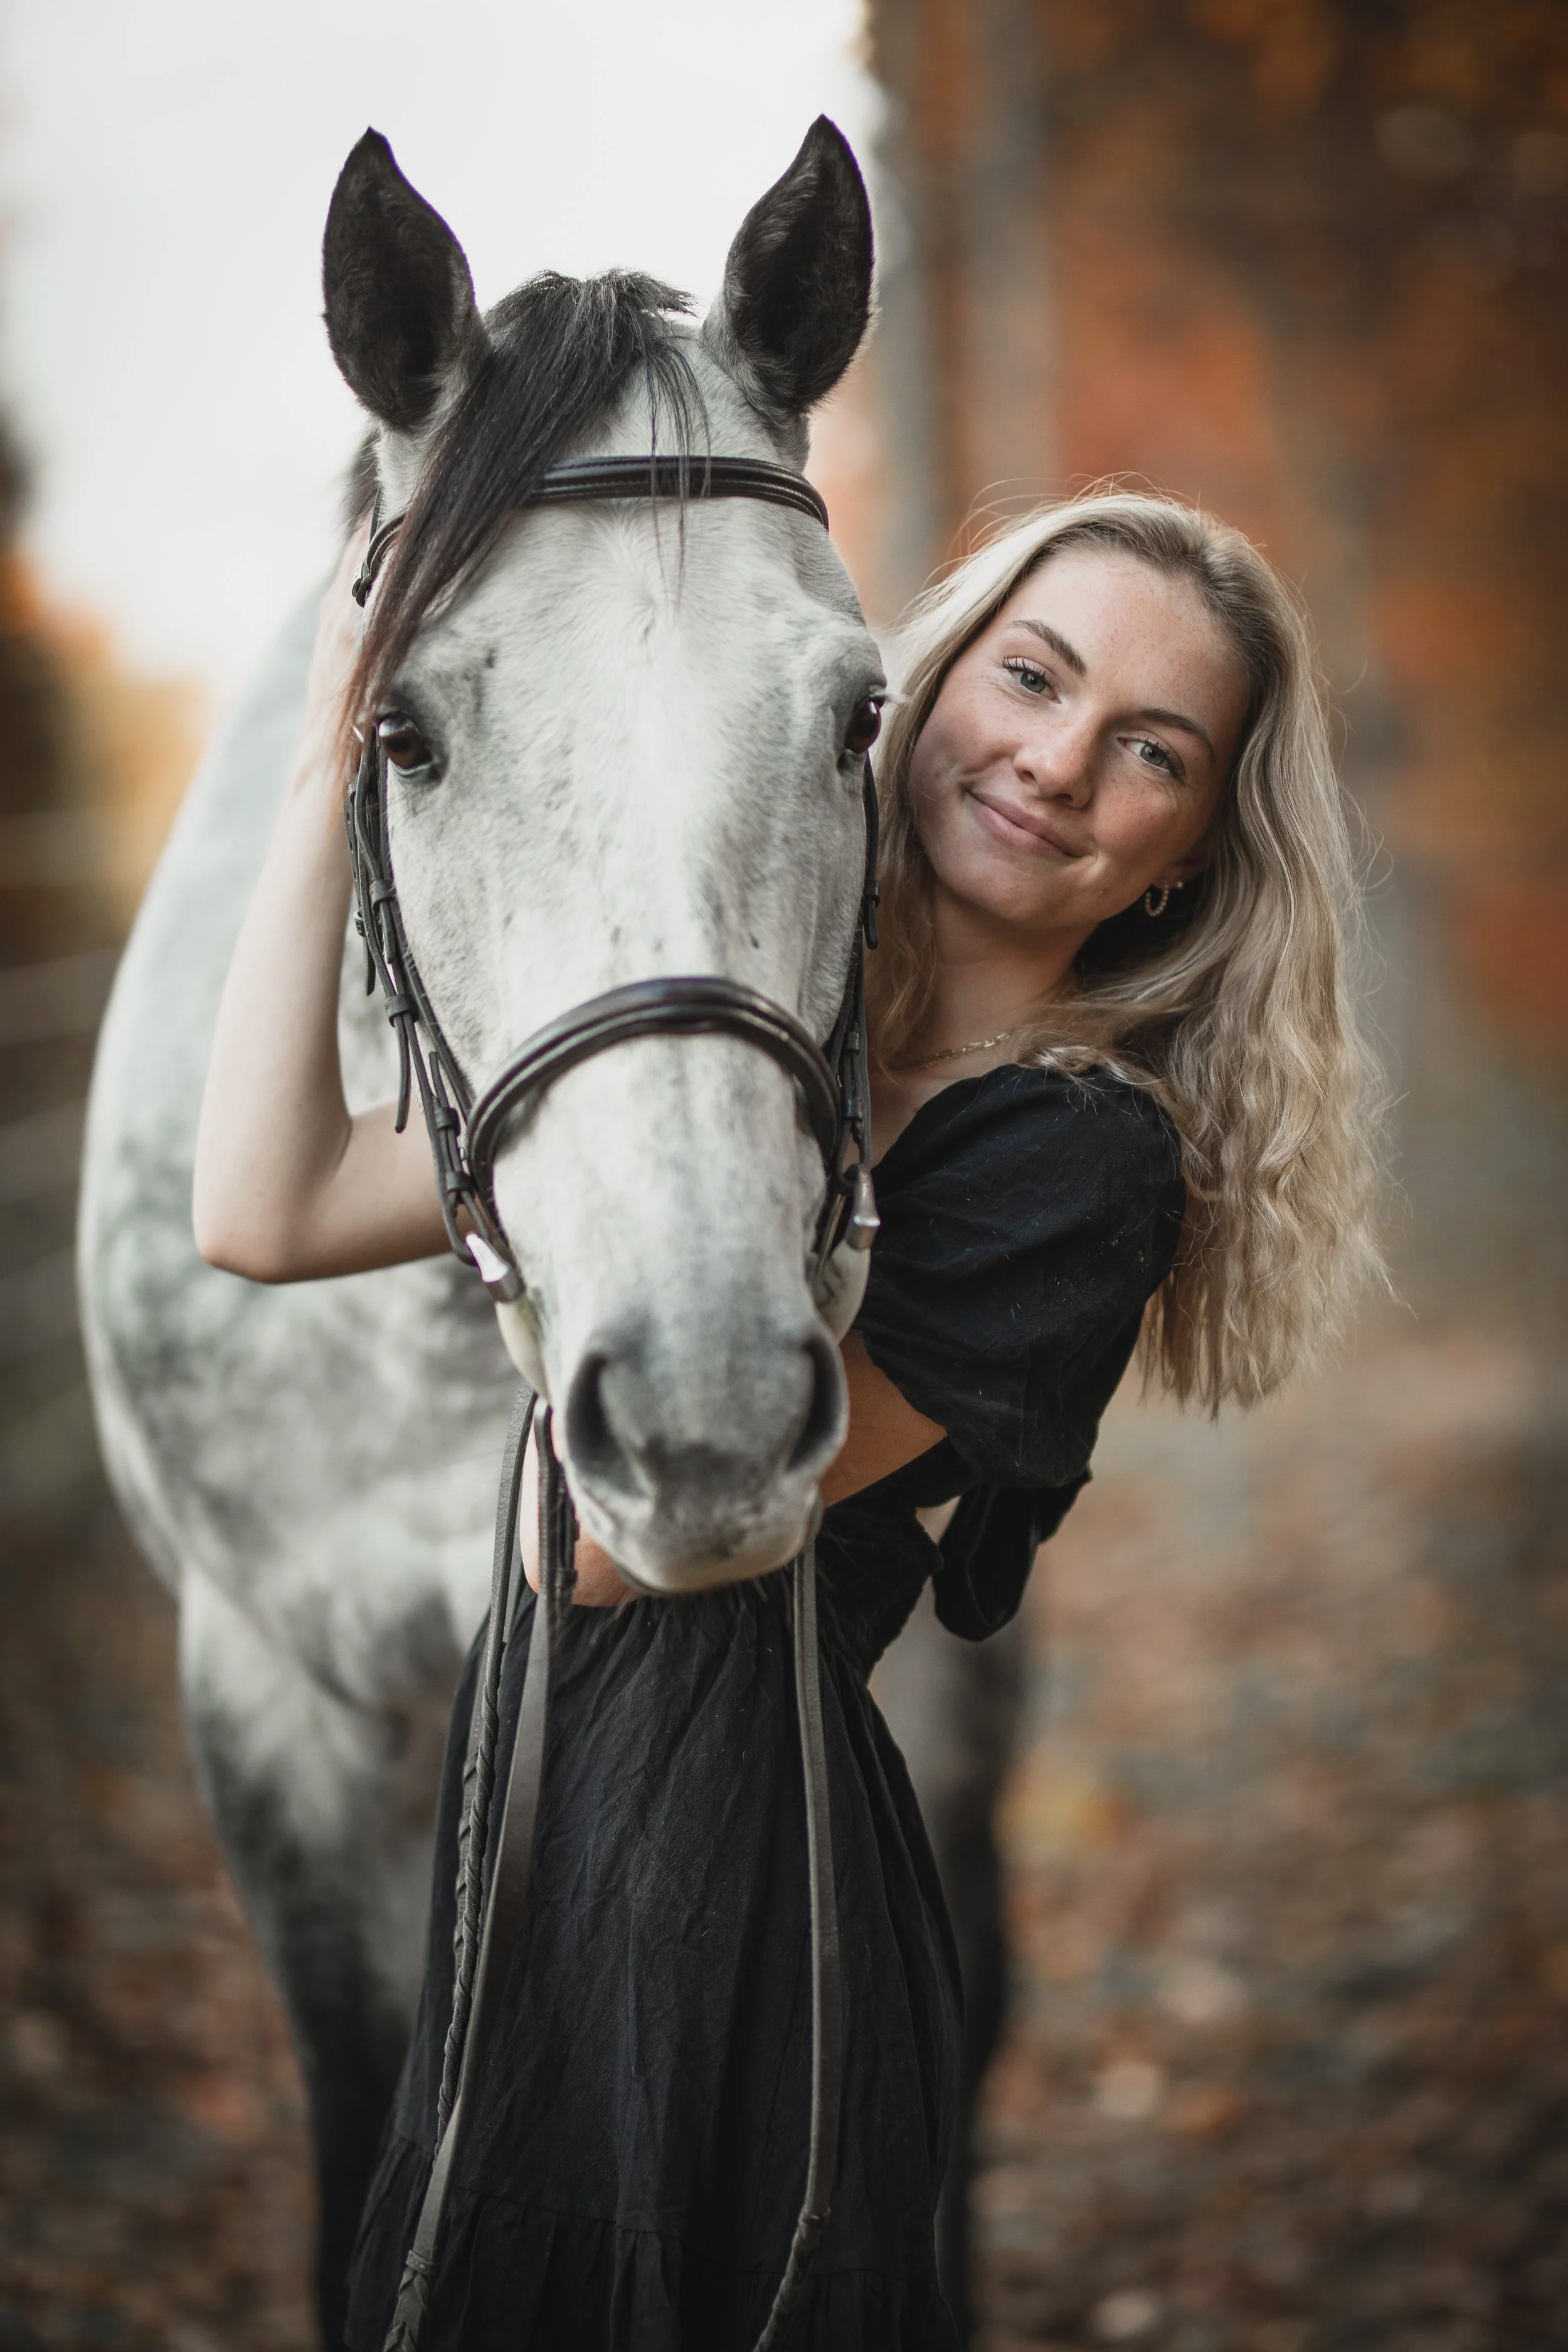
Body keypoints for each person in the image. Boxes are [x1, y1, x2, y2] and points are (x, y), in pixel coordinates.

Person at [194, 484, 1382, 2349]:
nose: (1058, 761)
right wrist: (332, 760)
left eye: (1147, 751)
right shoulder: (738, 1027)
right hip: (523, 1830)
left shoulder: (1081, 1160)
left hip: (739, 1896)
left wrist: (611, 1173)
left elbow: (632, 1538)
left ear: (1179, 857)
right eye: (1031, 676)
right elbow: (259, 1210)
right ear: (927, 689)